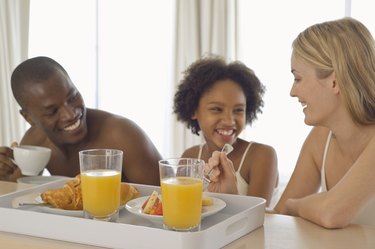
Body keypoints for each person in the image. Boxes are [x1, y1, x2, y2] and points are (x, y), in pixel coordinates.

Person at [205, 17, 375, 228]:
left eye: (298, 78)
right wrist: (233, 197)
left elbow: (331, 213)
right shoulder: (320, 140)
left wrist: (295, 206)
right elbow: (279, 217)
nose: (293, 92)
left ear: (334, 81)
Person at [0, 56, 162, 185]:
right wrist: (6, 176)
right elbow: (19, 197)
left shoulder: (121, 135)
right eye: (53, 111)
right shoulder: (36, 143)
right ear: (29, 118)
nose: (70, 114)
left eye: (73, 97)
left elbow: (166, 202)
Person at [173, 56, 279, 207]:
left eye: (238, 110)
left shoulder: (261, 156)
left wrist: (231, 195)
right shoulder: (189, 157)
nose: (229, 121)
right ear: (193, 110)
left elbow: (257, 218)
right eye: (217, 109)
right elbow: (181, 209)